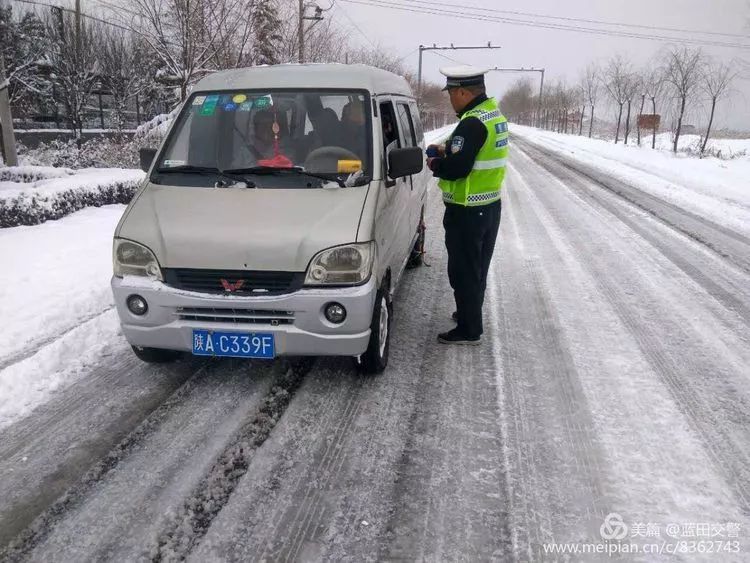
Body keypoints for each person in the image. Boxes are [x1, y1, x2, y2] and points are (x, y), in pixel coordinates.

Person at [425, 66, 509, 345]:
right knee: (477, 267)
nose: (450, 99)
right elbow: (472, 149)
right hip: (489, 206)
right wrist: (446, 148)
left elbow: (458, 168)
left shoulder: (471, 123)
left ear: (462, 92)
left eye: (451, 93)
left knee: (463, 270)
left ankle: (469, 329)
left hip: (467, 210)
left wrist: (436, 163)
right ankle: (467, 312)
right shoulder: (492, 115)